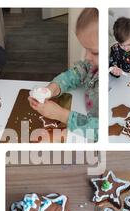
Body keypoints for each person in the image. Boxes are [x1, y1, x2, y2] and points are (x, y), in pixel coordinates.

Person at [28, 8, 99, 142]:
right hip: (83, 108)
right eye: (86, 49)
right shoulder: (92, 66)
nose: (86, 57)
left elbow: (101, 131)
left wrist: (61, 115)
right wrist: (52, 89)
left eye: (94, 52)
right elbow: (74, 75)